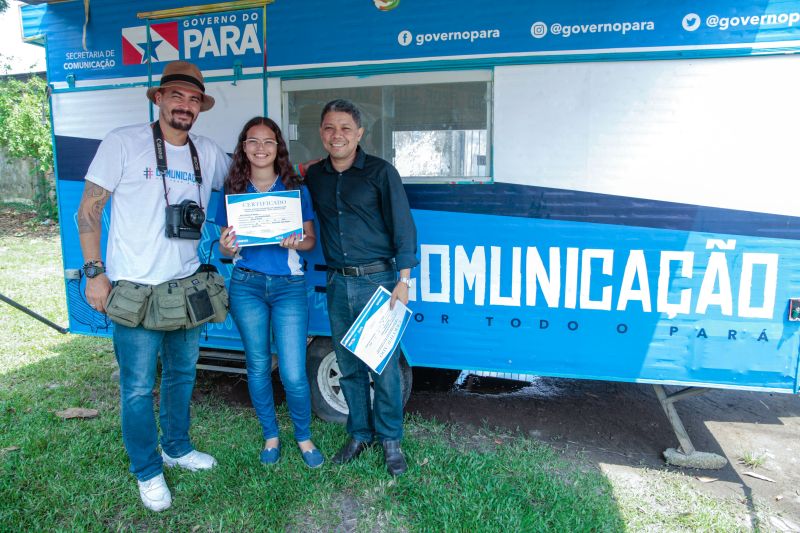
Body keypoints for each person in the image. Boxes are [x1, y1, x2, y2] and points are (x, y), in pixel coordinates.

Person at [77, 61, 231, 512]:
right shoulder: (123, 142)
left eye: (194, 100)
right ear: (159, 98)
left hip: (186, 288)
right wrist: (93, 272)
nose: (185, 106)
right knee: (138, 387)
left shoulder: (207, 152)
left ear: (201, 107)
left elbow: (249, 179)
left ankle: (177, 448)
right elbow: (88, 211)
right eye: (177, 96)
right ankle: (147, 470)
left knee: (183, 375)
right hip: (135, 289)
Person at [305, 99, 418, 476]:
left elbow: (403, 227)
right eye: (329, 128)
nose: (337, 135)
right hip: (337, 281)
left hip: (379, 282)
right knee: (349, 364)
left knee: (383, 366)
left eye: (345, 129)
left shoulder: (381, 173)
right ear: (321, 132)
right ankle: (358, 434)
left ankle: (390, 440)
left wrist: (404, 281)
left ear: (359, 134)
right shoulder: (315, 176)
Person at [215, 117, 323, 468]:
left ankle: (303, 437)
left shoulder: (295, 191)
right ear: (243, 147)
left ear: (279, 148)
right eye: (253, 141)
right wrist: (227, 246)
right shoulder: (232, 192)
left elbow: (309, 241)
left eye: (268, 142)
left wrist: (297, 241)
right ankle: (271, 435)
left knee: (292, 371)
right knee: (258, 365)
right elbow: (226, 249)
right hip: (246, 285)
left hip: (288, 287)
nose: (261, 148)